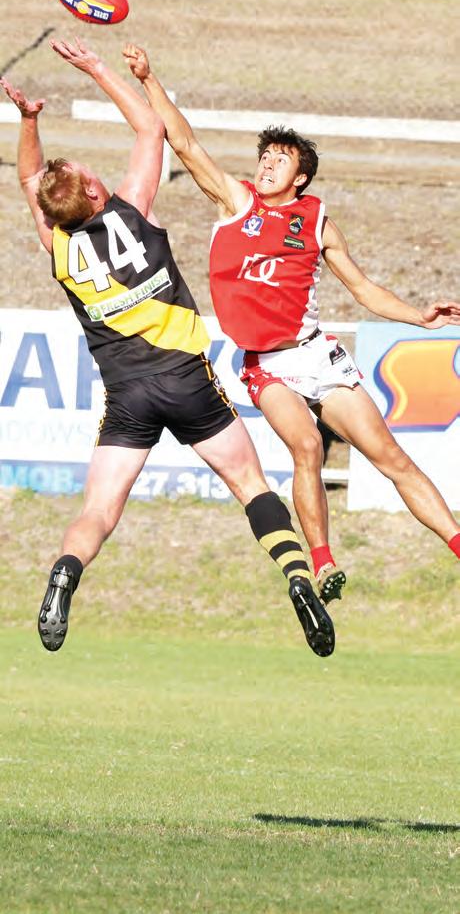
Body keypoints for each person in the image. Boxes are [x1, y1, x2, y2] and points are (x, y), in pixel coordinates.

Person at [0, 39, 335, 659]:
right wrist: (98, 68)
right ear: (94, 193)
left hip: (128, 396)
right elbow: (150, 127)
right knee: (250, 484)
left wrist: (28, 122)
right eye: (91, 176)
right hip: (187, 382)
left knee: (99, 510)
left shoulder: (59, 247)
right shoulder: (133, 210)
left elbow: (28, 177)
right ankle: (296, 577)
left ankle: (64, 576)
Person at [123, 43, 460, 587]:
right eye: (265, 156)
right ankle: (323, 562)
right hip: (267, 363)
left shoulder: (317, 221)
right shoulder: (236, 203)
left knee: (390, 458)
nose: (267, 163)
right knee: (307, 446)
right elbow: (182, 142)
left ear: (300, 177)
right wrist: (148, 77)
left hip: (316, 353)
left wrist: (420, 318)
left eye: (280, 159)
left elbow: (363, 289)